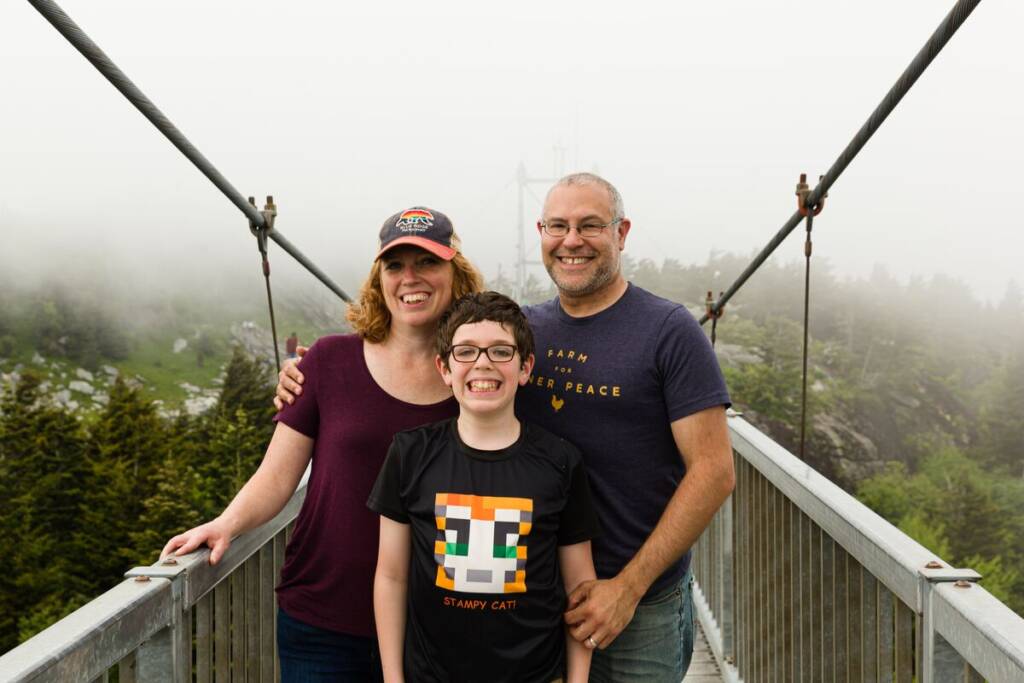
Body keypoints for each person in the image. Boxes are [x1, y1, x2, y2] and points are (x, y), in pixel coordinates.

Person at [277, 174, 735, 682]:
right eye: (557, 226)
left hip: (636, 601)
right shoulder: (523, 328)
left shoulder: (669, 331)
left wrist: (627, 588)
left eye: (589, 226)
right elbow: (443, 359)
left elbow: (714, 472)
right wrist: (316, 371)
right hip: (534, 597)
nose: (571, 240)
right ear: (541, 232)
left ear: (621, 233)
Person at [162, 206, 484, 682]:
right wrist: (226, 523)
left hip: (436, 624)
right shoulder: (329, 362)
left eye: (427, 262)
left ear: (455, 274)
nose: (409, 278)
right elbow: (277, 476)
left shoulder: (480, 375)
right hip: (322, 621)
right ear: (378, 279)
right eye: (395, 265)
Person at [369, 291, 601, 683]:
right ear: (444, 368)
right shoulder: (410, 454)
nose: (482, 363)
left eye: (500, 351)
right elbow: (391, 576)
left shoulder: (561, 461)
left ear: (525, 367)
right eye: (465, 351)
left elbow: (579, 585)